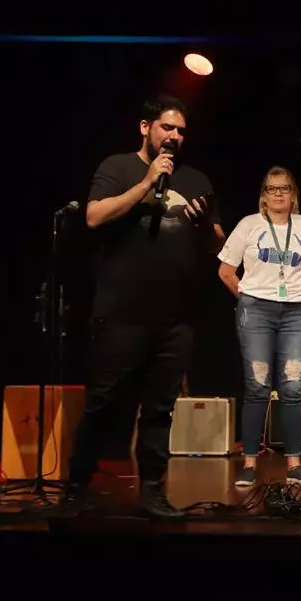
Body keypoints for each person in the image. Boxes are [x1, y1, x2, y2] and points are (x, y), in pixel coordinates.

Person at [66, 94, 223, 518]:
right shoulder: (117, 168)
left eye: (181, 131)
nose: (174, 136)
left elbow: (217, 245)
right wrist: (146, 184)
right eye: (167, 127)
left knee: (159, 411)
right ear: (145, 128)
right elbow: (94, 217)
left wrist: (205, 229)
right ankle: (76, 488)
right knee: (102, 405)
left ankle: (153, 490)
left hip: (174, 319)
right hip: (120, 314)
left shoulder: (196, 180)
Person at [217, 166, 301, 488]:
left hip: (295, 314)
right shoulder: (249, 225)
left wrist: (292, 294)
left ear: (293, 195)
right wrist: (250, 299)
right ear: (263, 196)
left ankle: (294, 464)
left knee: (292, 387)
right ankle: (249, 463)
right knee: (258, 386)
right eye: (271, 188)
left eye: (284, 188)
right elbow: (226, 271)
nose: (278, 193)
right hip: (256, 313)